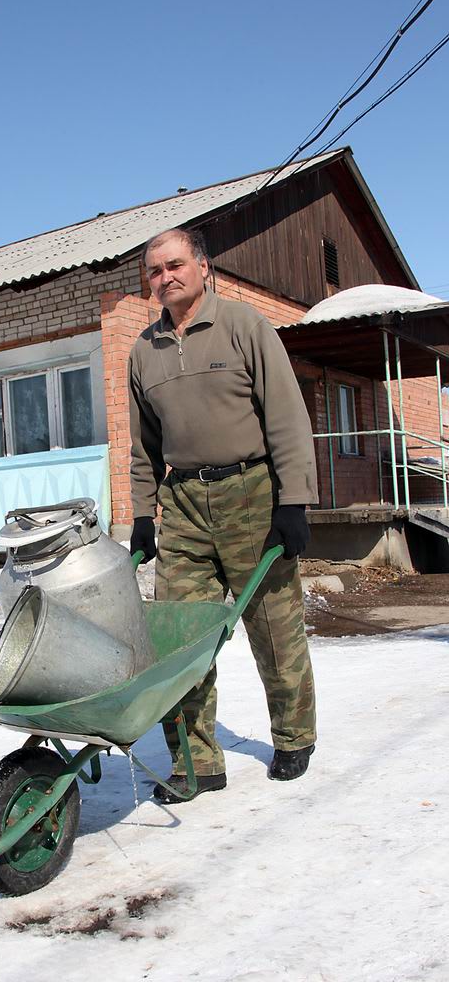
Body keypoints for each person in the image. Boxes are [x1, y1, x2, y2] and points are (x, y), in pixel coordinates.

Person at [128, 227, 318, 803]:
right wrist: (142, 516)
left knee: (273, 625)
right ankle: (197, 761)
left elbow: (286, 416)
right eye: (155, 270)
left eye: (175, 264)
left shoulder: (244, 326)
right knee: (179, 638)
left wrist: (293, 502)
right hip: (183, 502)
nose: (165, 277)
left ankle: (294, 737)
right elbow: (143, 446)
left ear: (203, 267)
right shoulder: (143, 351)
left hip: (251, 494)